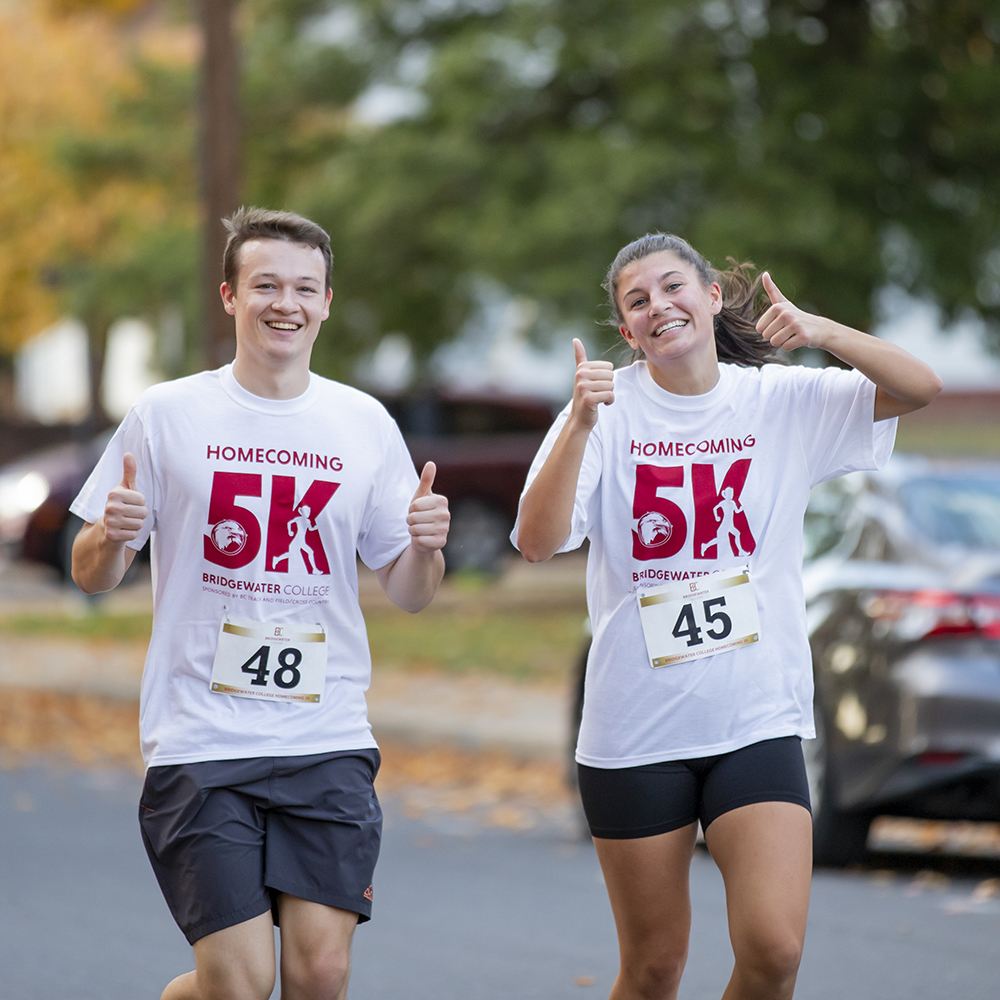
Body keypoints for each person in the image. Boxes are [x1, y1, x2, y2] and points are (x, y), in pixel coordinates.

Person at [514, 233, 941, 1000]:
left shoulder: (780, 399)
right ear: (625, 330)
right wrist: (578, 422)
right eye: (636, 301)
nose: (658, 308)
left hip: (756, 718)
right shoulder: (603, 412)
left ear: (711, 297)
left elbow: (921, 387)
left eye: (673, 287)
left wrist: (824, 333)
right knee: (653, 968)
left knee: (774, 952)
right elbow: (538, 542)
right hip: (636, 730)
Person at [71, 207, 450, 1000]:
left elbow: (411, 594)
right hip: (201, 740)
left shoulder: (362, 423)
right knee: (238, 987)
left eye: (304, 288)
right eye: (266, 285)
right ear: (229, 297)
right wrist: (110, 535)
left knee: (320, 974)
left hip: (327, 733)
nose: (286, 303)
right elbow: (91, 574)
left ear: (326, 302)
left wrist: (426, 545)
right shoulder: (167, 414)